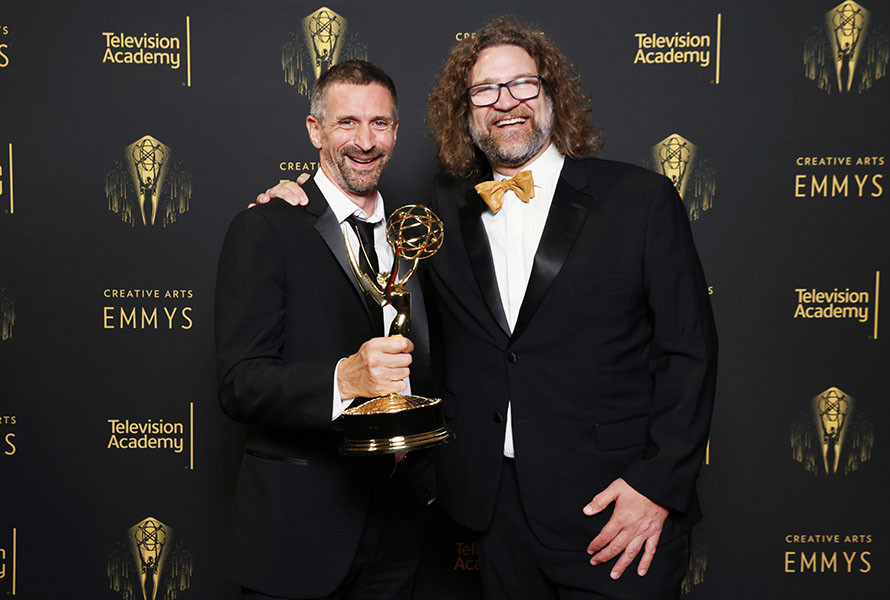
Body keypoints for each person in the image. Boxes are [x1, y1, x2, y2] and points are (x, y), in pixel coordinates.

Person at [257, 16, 717, 600]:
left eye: (522, 84)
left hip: (615, 514)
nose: (506, 103)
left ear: (550, 92)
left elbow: (689, 353)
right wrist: (295, 201)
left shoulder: (639, 200)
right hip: (495, 518)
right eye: (485, 91)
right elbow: (356, 230)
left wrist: (657, 488)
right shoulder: (440, 213)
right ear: (466, 110)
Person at [215, 60, 431, 600]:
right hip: (299, 533)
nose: (364, 141)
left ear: (396, 131)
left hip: (397, 527)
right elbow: (240, 382)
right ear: (315, 130)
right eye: (346, 123)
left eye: (379, 123)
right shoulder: (264, 228)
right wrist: (344, 379)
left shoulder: (414, 238)